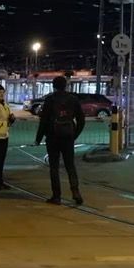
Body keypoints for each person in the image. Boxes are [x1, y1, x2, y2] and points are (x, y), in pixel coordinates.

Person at [34, 76, 86, 205]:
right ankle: (75, 192)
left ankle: (56, 196)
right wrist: (74, 134)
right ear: (66, 85)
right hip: (68, 137)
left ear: (54, 86)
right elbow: (81, 120)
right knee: (70, 165)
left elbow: (44, 121)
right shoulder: (73, 99)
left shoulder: (50, 99)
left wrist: (38, 138)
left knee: (54, 167)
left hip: (53, 137)